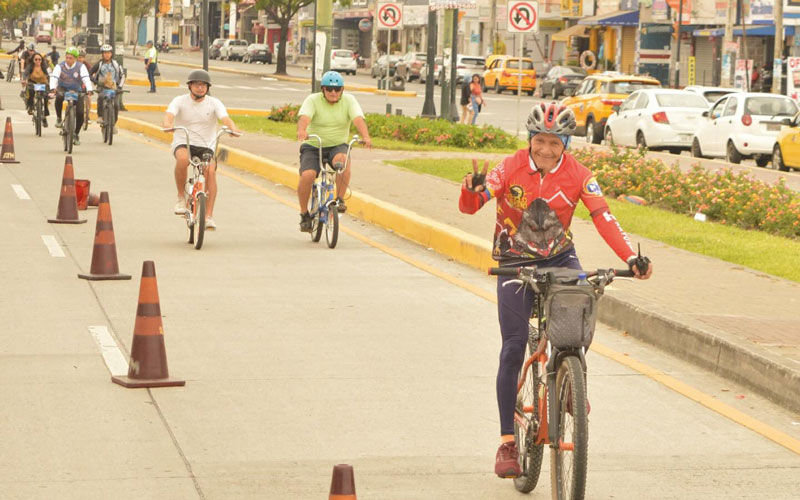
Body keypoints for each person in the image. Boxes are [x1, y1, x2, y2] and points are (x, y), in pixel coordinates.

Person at [458, 102, 652, 479]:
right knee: (513, 347)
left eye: (554, 143)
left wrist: (632, 258)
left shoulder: (579, 175)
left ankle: (569, 383)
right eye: (539, 141)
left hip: (561, 257)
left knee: (579, 319)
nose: (545, 150)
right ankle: (507, 443)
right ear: (531, 140)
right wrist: (471, 191)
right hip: (514, 259)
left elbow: (604, 217)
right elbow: (472, 206)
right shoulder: (509, 167)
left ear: (566, 143)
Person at [162, 70, 242, 230]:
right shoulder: (180, 100)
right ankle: (180, 197)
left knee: (210, 170)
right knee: (183, 159)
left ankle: (208, 216)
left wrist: (233, 128)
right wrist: (168, 124)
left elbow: (225, 118)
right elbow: (169, 115)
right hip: (184, 141)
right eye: (197, 84)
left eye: (204, 85)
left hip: (206, 144)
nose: (200, 88)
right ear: (190, 86)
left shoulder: (214, 103)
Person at [295, 70, 372, 232]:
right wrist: (302, 131)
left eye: (337, 89)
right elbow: (304, 118)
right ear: (322, 89)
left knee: (342, 162)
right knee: (308, 175)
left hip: (337, 144)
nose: (333, 92)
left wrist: (366, 136)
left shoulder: (349, 101)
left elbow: (358, 119)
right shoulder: (313, 100)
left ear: (342, 90)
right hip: (314, 145)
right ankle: (304, 213)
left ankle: (339, 199)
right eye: (329, 89)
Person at [49, 46, 93, 146]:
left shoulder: (81, 67)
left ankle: (76, 133)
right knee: (59, 97)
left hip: (76, 90)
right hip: (63, 89)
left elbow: (86, 78)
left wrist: (89, 89)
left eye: (71, 58)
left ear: (75, 59)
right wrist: (53, 88)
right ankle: (59, 118)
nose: (68, 60)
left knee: (80, 113)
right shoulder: (59, 66)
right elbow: (54, 77)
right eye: (67, 57)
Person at [89, 44, 125, 131]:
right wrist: (97, 82)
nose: (107, 55)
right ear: (102, 54)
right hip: (102, 88)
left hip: (113, 88)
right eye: (105, 53)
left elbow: (123, 75)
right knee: (101, 97)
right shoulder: (99, 64)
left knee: (116, 105)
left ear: (111, 54)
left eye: (108, 53)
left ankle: (113, 124)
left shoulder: (116, 64)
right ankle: (100, 116)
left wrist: (119, 87)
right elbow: (90, 74)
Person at [22, 52, 51, 127]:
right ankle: (31, 106)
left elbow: (50, 74)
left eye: (39, 59)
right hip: (33, 83)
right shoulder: (30, 66)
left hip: (43, 83)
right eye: (36, 59)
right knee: (30, 92)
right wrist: (24, 80)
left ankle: (44, 116)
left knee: (45, 97)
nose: (38, 61)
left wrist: (51, 83)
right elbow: (25, 73)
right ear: (33, 60)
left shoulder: (44, 66)